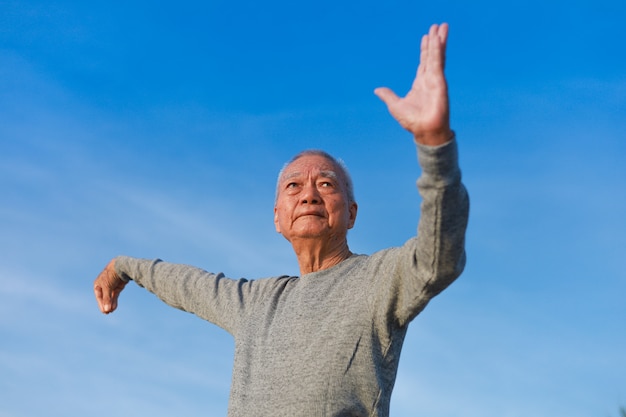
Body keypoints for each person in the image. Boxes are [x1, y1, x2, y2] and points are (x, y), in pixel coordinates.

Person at [94, 23, 469, 417]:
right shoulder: (256, 302)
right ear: (277, 218)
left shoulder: (378, 279)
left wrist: (435, 145)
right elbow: (186, 283)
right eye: (293, 186)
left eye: (326, 183)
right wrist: (123, 267)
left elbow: (437, 258)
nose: (308, 193)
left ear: (352, 213)